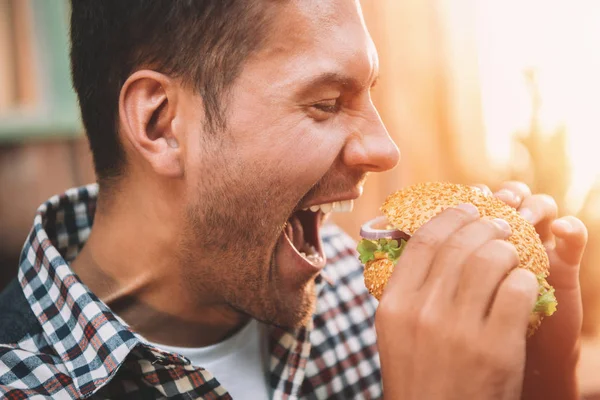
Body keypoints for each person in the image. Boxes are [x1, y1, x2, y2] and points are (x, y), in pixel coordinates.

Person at [0, 1, 587, 399]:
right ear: (160, 124)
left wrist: (540, 377)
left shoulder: (373, 299)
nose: (385, 150)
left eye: (369, 95)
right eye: (327, 102)